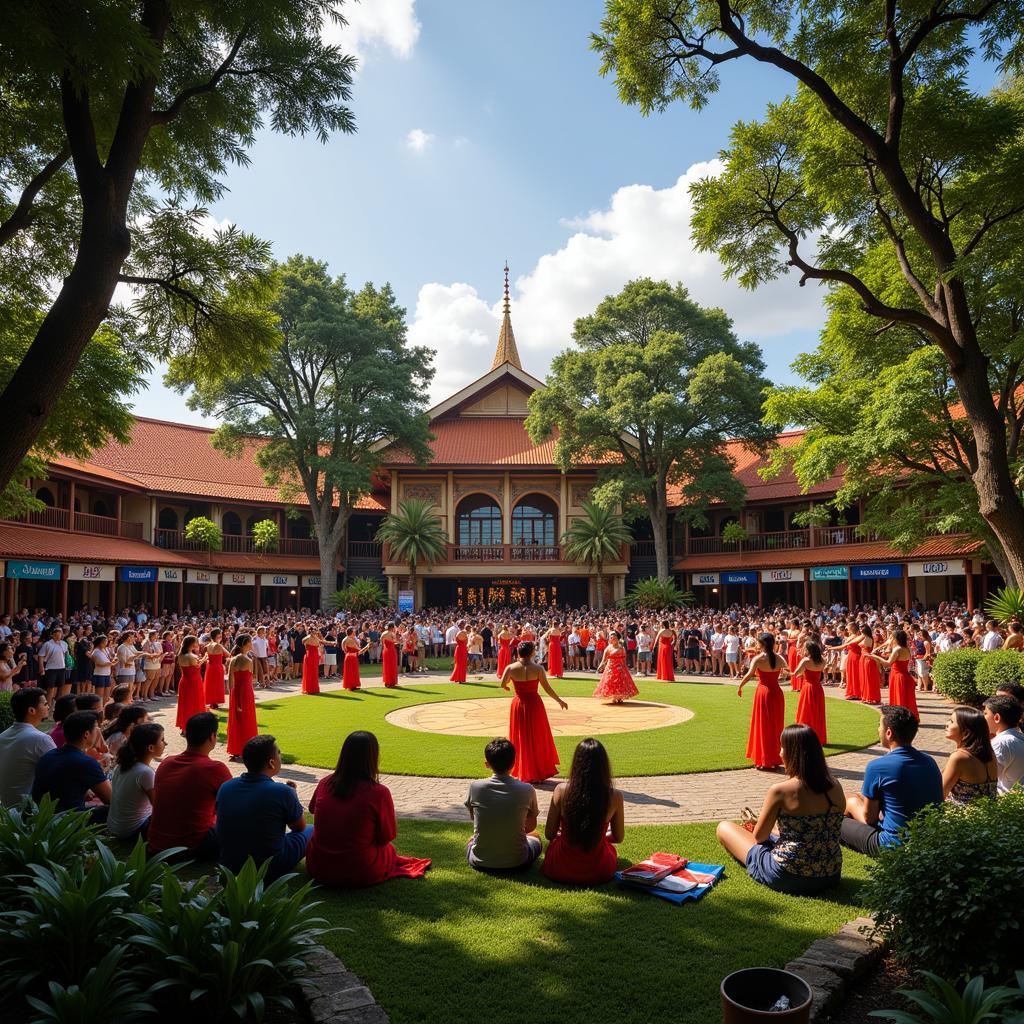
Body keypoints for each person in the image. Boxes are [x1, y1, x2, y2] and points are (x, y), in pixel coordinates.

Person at [717, 723, 845, 895]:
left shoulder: (780, 791)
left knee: (724, 828)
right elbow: (816, 828)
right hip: (830, 874)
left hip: (789, 875)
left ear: (793, 753)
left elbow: (759, 837)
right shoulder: (835, 786)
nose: (780, 753)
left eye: (782, 748)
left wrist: (761, 827)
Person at [306, 730, 431, 888]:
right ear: (373, 757)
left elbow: (312, 809)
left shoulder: (325, 783)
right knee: (389, 850)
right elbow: (387, 836)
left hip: (318, 867)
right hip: (360, 871)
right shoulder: (379, 793)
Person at [841, 705, 943, 856]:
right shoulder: (930, 762)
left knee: (839, 814)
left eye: (879, 726)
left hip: (893, 845)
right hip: (928, 840)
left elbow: (869, 819)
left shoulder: (878, 767)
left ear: (888, 733)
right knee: (856, 796)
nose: (878, 730)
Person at [148, 712, 232, 860]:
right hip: (190, 847)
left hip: (157, 844)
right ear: (212, 737)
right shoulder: (214, 768)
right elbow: (235, 805)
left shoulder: (166, 763)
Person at [541, 738, 624, 886]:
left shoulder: (561, 790)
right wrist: (596, 835)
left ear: (576, 763)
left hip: (559, 868)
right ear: (604, 766)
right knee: (608, 850)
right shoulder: (615, 796)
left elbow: (549, 834)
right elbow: (618, 837)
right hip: (600, 871)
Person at [465, 737, 542, 872]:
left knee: (471, 840)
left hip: (479, 861)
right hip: (518, 862)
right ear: (514, 762)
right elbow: (530, 827)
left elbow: (474, 818)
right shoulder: (527, 789)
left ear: (487, 764)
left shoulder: (475, 787)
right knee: (536, 836)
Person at [501, 641, 568, 784]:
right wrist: (559, 700)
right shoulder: (538, 669)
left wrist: (508, 687)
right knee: (537, 736)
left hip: (518, 703)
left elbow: (503, 683)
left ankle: (521, 771)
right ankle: (537, 770)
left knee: (520, 736)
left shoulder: (511, 668)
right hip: (534, 704)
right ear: (532, 653)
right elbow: (547, 688)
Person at [31, 711, 110, 821]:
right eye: (96, 729)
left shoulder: (48, 755)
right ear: (86, 734)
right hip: (65, 823)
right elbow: (111, 799)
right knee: (113, 810)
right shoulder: (85, 762)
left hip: (41, 818)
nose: (98, 733)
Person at [737, 633, 788, 770]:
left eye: (758, 643)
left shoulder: (758, 659)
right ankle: (775, 758)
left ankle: (764, 759)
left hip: (763, 693)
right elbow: (787, 672)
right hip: (776, 693)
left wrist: (740, 686)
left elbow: (749, 675)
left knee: (763, 725)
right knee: (776, 726)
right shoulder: (779, 658)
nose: (757, 645)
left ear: (763, 644)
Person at [107, 722, 165, 840]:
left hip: (114, 827)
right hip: (132, 830)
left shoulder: (122, 764)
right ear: (150, 748)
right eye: (162, 740)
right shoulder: (145, 772)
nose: (166, 743)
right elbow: (159, 807)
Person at [0, 687, 54, 806]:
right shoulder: (40, 739)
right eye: (45, 704)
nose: (48, 707)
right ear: (31, 710)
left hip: (6, 809)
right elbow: (62, 770)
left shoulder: (3, 736)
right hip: (28, 812)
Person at [942, 705, 998, 805]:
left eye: (951, 721)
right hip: (989, 815)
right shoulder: (990, 754)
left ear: (966, 731)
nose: (947, 724)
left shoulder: (959, 758)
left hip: (961, 818)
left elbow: (940, 794)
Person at [226, 634, 258, 762]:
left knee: (236, 720)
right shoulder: (248, 661)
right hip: (246, 692)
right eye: (250, 642)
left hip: (235, 691)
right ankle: (249, 749)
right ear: (245, 644)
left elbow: (230, 679)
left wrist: (231, 694)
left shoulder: (233, 659)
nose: (252, 644)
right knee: (247, 719)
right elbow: (252, 679)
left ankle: (236, 749)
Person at [793, 639, 827, 745]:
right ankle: (818, 736)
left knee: (806, 711)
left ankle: (804, 736)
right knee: (817, 713)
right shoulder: (822, 660)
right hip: (818, 688)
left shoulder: (806, 660)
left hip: (808, 688)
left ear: (808, 650)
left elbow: (796, 673)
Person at [592, 631, 639, 705]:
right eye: (611, 638)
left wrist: (623, 668)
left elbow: (624, 659)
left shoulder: (622, 648)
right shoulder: (608, 648)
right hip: (610, 668)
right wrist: (600, 667)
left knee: (620, 682)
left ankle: (619, 697)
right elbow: (604, 660)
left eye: (614, 638)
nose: (613, 639)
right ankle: (614, 697)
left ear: (617, 639)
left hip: (620, 668)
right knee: (611, 682)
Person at [175, 635, 207, 733]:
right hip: (193, 681)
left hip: (185, 680)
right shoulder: (189, 656)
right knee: (194, 703)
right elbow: (197, 666)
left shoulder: (181, 655)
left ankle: (185, 727)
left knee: (185, 704)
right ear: (191, 644)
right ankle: (194, 726)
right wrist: (205, 658)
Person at [203, 628, 229, 707]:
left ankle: (212, 702)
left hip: (210, 666)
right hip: (217, 666)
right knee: (217, 684)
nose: (221, 637)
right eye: (219, 636)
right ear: (216, 636)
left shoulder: (208, 645)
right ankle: (214, 702)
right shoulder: (218, 645)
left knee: (211, 684)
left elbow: (206, 656)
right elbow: (228, 654)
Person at [301, 627, 322, 695]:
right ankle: (308, 689)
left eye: (316, 630)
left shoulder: (316, 638)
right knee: (309, 672)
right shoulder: (308, 637)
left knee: (314, 672)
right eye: (314, 630)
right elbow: (302, 641)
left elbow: (320, 644)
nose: (315, 632)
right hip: (309, 656)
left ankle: (314, 688)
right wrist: (309, 635)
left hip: (315, 656)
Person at [380, 621, 400, 688]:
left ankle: (387, 681)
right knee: (392, 666)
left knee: (386, 666)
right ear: (392, 627)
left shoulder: (383, 633)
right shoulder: (392, 633)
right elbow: (395, 641)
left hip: (385, 651)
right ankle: (392, 682)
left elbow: (382, 642)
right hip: (391, 650)